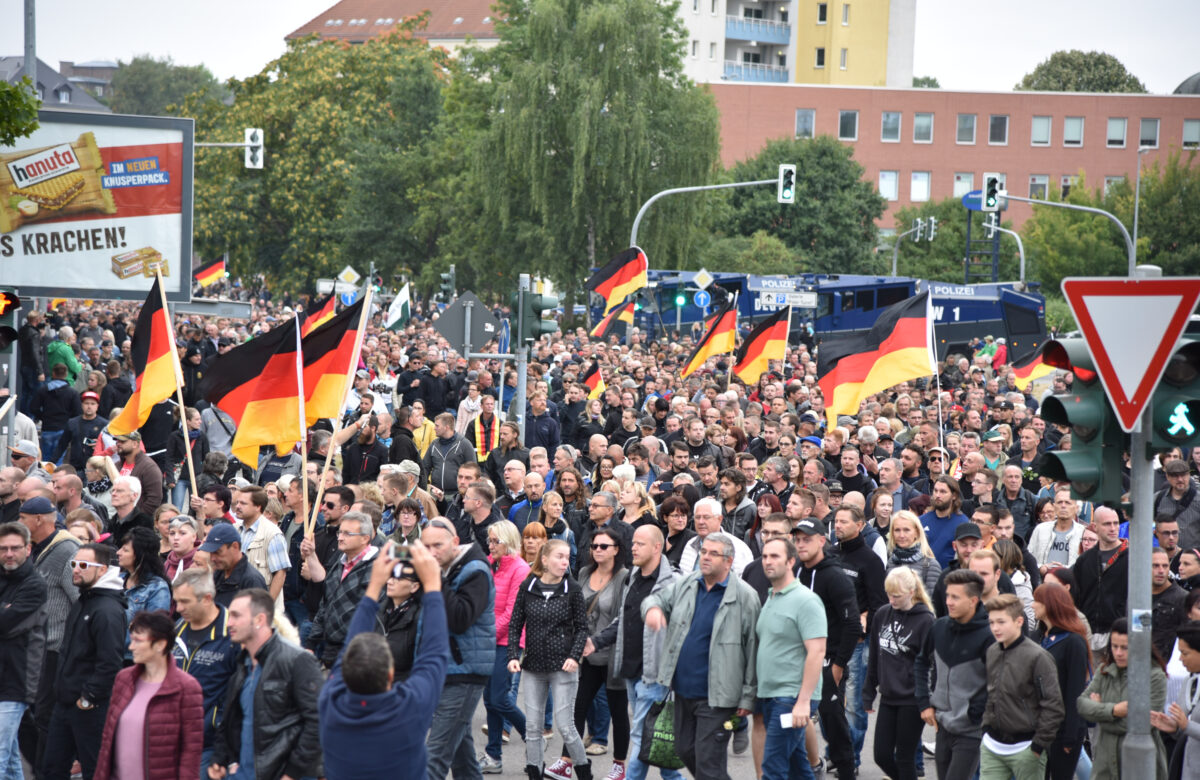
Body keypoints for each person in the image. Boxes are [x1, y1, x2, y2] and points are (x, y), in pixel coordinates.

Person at [319, 539, 450, 780]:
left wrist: (373, 586)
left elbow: (349, 646)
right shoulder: (409, 706)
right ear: (391, 675)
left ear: (343, 672)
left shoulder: (331, 702)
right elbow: (435, 654)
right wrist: (432, 585)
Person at [642, 532, 760, 780]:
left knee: (708, 761)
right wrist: (653, 610)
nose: (705, 557)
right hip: (683, 690)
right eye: (703, 552)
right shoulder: (688, 583)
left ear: (728, 561)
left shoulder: (745, 597)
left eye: (713, 554)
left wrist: (748, 697)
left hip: (718, 697)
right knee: (685, 750)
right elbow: (655, 599)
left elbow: (752, 649)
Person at [507, 539, 592, 780]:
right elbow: (515, 624)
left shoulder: (572, 588)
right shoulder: (528, 586)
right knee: (533, 727)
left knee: (566, 726)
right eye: (559, 557)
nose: (565, 561)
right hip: (533, 666)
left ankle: (585, 773)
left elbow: (582, 628)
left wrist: (574, 657)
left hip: (563, 667)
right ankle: (535, 772)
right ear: (544, 560)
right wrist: (513, 655)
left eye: (567, 557)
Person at [43, 542, 127, 780]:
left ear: (101, 570)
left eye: (83, 565)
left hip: (89, 708)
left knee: (95, 771)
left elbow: (110, 663)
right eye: (73, 564)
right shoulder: (84, 600)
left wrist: (87, 698)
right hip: (66, 703)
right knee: (52, 768)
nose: (75, 570)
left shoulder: (107, 609)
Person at [421, 517, 496, 780]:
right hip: (442, 667)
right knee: (462, 757)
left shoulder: (475, 570)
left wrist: (433, 580)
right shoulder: (441, 567)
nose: (430, 553)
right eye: (425, 546)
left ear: (455, 542)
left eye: (437, 545)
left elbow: (460, 619)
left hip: (464, 671)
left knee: (434, 757)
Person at [91, 610, 204, 780]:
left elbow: (191, 751)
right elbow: (107, 740)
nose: (131, 647)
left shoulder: (186, 688)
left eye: (138, 641)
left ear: (160, 645)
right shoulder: (124, 679)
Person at [755, 536, 826, 780]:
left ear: (791, 562)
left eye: (775, 556)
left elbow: (817, 651)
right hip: (771, 696)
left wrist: (804, 702)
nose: (767, 562)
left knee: (773, 769)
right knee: (798, 769)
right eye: (764, 556)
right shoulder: (772, 597)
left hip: (790, 698)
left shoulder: (806, 600)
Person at [793, 518, 859, 780]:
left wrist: (838, 665)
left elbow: (853, 624)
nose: (800, 544)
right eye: (797, 539)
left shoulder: (834, 576)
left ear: (822, 540)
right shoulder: (797, 570)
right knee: (793, 720)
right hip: (798, 660)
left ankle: (847, 773)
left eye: (806, 539)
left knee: (834, 726)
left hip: (828, 662)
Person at [914, 569, 994, 780]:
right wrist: (925, 703)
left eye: (955, 597)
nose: (948, 601)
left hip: (971, 731)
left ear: (973, 600)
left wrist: (973, 713)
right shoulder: (939, 627)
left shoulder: (989, 635)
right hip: (943, 727)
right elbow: (921, 662)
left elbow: (997, 682)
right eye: (948, 595)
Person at [563, 529, 630, 780]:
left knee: (618, 712)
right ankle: (566, 761)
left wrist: (597, 640)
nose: (598, 550)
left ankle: (619, 766)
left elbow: (622, 618)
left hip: (613, 655)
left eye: (604, 546)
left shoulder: (625, 578)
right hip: (587, 655)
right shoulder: (583, 573)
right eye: (594, 546)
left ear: (616, 549)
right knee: (577, 708)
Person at [978, 593, 1064, 780]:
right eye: (991, 622)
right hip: (992, 745)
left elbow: (1053, 705)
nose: (995, 628)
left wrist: (1038, 746)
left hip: (1026, 747)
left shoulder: (1038, 657)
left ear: (1019, 621)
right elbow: (990, 693)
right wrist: (985, 729)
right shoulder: (992, 651)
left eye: (1001, 622)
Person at [863, 566, 935, 780]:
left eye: (897, 596)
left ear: (911, 592)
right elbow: (876, 655)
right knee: (881, 755)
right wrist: (869, 692)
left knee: (905, 758)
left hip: (911, 698)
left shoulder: (925, 620)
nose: (892, 600)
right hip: (888, 696)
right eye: (888, 595)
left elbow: (930, 665)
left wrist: (927, 701)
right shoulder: (883, 614)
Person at [1076, 618, 1168, 780]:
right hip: (1105, 766)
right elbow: (1082, 704)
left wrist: (1100, 713)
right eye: (1114, 646)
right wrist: (1114, 711)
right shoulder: (1105, 671)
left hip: (1140, 766)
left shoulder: (1155, 677)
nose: (1118, 653)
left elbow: (1142, 724)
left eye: (1125, 648)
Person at [172, 567, 238, 774]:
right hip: (173, 737)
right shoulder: (177, 631)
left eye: (185, 601)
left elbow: (239, 696)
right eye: (177, 601)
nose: (178, 608)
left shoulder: (232, 635)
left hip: (210, 743)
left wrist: (227, 752)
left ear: (207, 598)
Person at [0, 521, 48, 780]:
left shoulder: (34, 585)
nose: (9, 553)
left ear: (28, 549)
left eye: (15, 548)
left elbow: (6, 624)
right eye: (3, 548)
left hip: (17, 680)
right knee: (9, 761)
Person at [482, 520, 531, 774]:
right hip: (490, 638)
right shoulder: (492, 564)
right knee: (489, 700)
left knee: (500, 699)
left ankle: (533, 739)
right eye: (489, 540)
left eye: (494, 541)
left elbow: (512, 614)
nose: (490, 545)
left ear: (508, 541)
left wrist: (486, 634)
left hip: (508, 641)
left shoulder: (520, 569)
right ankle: (493, 756)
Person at [1031, 582, 1091, 780]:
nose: (1032, 605)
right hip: (1039, 724)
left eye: (1037, 601)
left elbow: (1075, 690)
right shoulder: (1038, 637)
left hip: (1064, 726)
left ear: (1050, 605)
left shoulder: (1073, 641)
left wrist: (1071, 735)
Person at [1072, 506, 1128, 652]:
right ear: (1095, 527)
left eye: (1116, 523)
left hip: (1119, 635)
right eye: (1107, 524)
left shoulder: (1131, 558)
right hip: (1088, 634)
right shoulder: (1084, 560)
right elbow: (1076, 597)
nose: (1113, 528)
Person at [1151, 622, 1200, 778]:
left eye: (1185, 653)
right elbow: (1184, 731)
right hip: (1187, 770)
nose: (1180, 659)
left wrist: (1187, 725)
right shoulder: (1189, 681)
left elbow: (1189, 726)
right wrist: (1174, 726)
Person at [117, 527, 172, 653]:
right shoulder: (116, 580)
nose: (118, 552)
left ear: (140, 555)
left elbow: (154, 629)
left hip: (132, 656)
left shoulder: (157, 588)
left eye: (125, 550)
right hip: (110, 652)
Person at [201, 524, 268, 608]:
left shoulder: (252, 581)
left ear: (235, 546)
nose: (212, 558)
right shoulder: (218, 573)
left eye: (218, 552)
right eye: (211, 553)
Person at [885, 509, 942, 595]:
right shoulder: (891, 562)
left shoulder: (930, 565)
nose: (901, 535)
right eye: (897, 530)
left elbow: (933, 604)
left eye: (906, 530)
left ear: (917, 532)